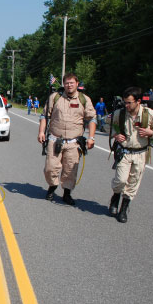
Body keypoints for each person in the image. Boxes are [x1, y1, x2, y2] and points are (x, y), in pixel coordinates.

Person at [37, 73, 97, 205]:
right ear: (63, 84)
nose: (69, 85)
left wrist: (91, 137)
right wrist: (41, 132)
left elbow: (92, 119)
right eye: (66, 83)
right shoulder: (55, 97)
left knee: (70, 169)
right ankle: (52, 187)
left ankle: (67, 193)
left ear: (77, 83)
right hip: (55, 139)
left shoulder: (84, 99)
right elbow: (44, 116)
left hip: (73, 142)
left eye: (71, 83)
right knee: (50, 168)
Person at [108, 86, 153, 223]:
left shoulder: (149, 114)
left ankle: (124, 209)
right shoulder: (119, 113)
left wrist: (151, 133)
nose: (126, 105)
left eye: (129, 102)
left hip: (140, 153)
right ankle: (115, 198)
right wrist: (116, 134)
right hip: (124, 152)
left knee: (133, 183)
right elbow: (105, 123)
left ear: (138, 101)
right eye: (125, 102)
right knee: (120, 180)